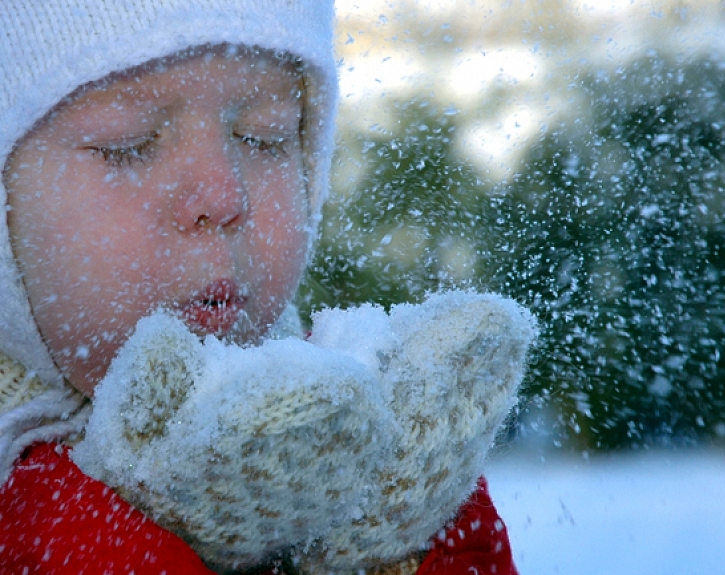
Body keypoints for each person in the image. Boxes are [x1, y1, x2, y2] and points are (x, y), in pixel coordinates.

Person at [0, 1, 522, 574]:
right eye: (129, 144)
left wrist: (410, 540)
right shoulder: (42, 530)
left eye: (265, 136)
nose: (225, 197)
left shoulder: (355, 440)